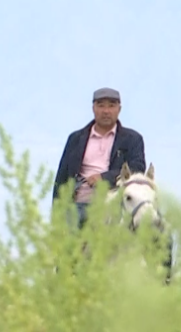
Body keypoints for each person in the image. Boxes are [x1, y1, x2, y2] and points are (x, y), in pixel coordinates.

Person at [52, 87, 146, 228]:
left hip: (113, 208)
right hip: (77, 205)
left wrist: (104, 177)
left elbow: (137, 169)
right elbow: (62, 178)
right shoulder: (76, 139)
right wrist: (56, 215)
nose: (106, 111)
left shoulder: (132, 139)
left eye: (111, 106)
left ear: (119, 109)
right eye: (101, 106)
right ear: (93, 108)